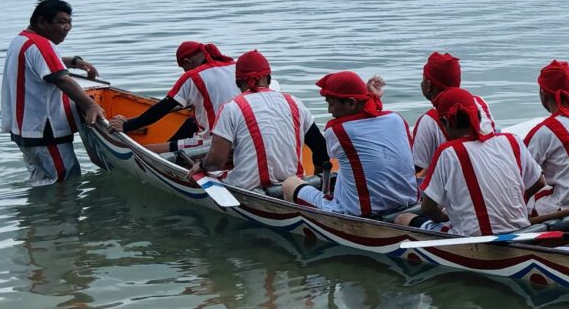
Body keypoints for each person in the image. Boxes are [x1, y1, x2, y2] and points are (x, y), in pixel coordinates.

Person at [404, 86, 545, 236]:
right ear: (477, 115)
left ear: (446, 121)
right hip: (520, 230)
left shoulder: (447, 152)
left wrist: (444, 217)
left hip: (470, 238)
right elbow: (539, 183)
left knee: (403, 218)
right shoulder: (512, 140)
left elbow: (427, 208)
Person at [281, 71, 418, 218]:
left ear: (351, 103)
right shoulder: (396, 118)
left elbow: (332, 153)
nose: (329, 111)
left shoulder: (337, 130)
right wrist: (370, 97)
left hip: (360, 212)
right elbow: (371, 128)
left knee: (289, 183)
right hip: (409, 201)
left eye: (331, 104)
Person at [0, 0, 106, 185]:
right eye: (61, 22)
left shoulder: (22, 40)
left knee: (42, 180)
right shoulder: (41, 45)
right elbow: (62, 80)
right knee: (63, 181)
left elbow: (43, 62)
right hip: (45, 131)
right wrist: (90, 105)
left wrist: (73, 62)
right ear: (41, 22)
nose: (67, 28)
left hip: (26, 130)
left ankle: (36, 214)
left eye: (69, 22)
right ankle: (59, 215)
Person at [204, 51, 330, 191]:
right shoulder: (294, 102)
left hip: (248, 189)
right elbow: (321, 148)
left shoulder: (230, 108)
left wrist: (201, 166)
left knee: (209, 170)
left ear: (238, 83)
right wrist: (318, 183)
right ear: (269, 78)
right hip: (294, 188)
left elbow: (215, 162)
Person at [108, 41, 238, 161]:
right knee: (190, 123)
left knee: (147, 151)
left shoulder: (193, 76)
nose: (184, 71)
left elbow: (162, 109)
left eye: (183, 67)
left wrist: (126, 126)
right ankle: (175, 148)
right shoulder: (236, 67)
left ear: (188, 61)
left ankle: (172, 158)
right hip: (243, 136)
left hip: (215, 143)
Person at [409, 52, 497, 180]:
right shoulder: (480, 103)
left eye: (423, 78)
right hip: (489, 174)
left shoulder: (429, 120)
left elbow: (419, 172)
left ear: (428, 84)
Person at [524, 60, 569, 216]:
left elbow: (518, 174)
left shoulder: (544, 131)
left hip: (568, 209)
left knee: (528, 197)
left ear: (543, 95)